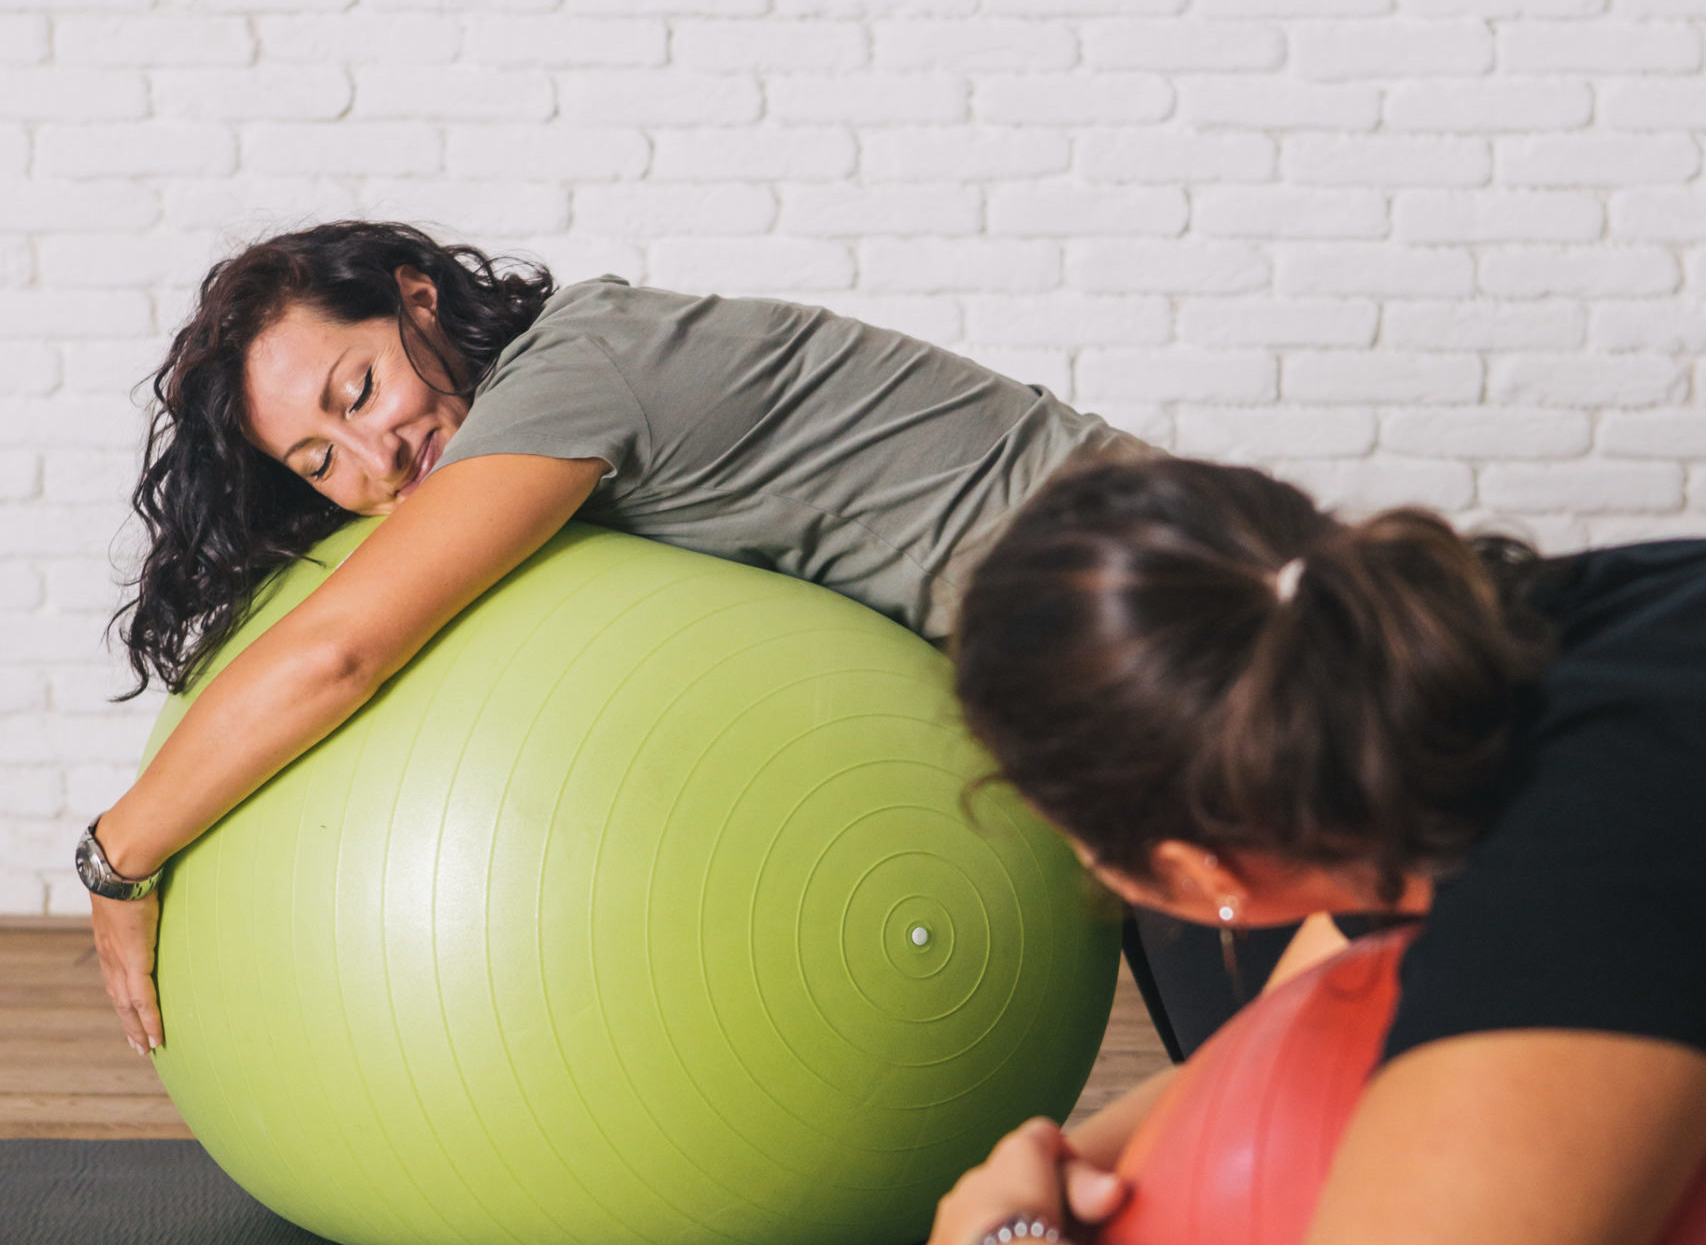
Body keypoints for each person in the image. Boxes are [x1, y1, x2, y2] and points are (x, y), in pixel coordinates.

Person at [82, 220, 1150, 1054]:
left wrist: (118, 856)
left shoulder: (568, 381)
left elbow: (341, 650)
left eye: (358, 389)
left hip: (1152, 615)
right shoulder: (568, 376)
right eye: (320, 463)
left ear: (416, 295)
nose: (374, 458)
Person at [925, 455, 1706, 1245]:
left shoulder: (1572, 870)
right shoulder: (1479, 657)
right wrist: (1044, 1171)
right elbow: (1291, 1008)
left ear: (1193, 870)